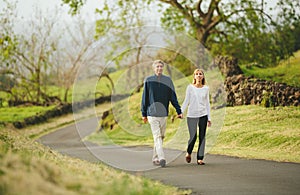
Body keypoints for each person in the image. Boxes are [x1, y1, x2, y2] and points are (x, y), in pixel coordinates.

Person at [141, 60, 183, 167]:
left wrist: (179, 111)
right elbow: (144, 98)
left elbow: (173, 97)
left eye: (161, 67)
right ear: (154, 68)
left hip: (163, 114)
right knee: (157, 136)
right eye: (157, 67)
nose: (159, 68)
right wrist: (144, 114)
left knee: (161, 136)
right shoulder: (148, 80)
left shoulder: (167, 80)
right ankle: (161, 158)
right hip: (152, 114)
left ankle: (155, 157)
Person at [181, 69, 212, 165]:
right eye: (197, 74)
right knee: (193, 137)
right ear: (194, 77)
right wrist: (181, 112)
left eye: (200, 74)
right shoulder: (190, 87)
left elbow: (207, 103)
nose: (198, 76)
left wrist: (209, 118)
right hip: (192, 115)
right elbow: (186, 101)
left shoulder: (206, 88)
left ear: (203, 76)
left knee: (202, 137)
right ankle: (189, 152)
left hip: (203, 115)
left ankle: (200, 158)